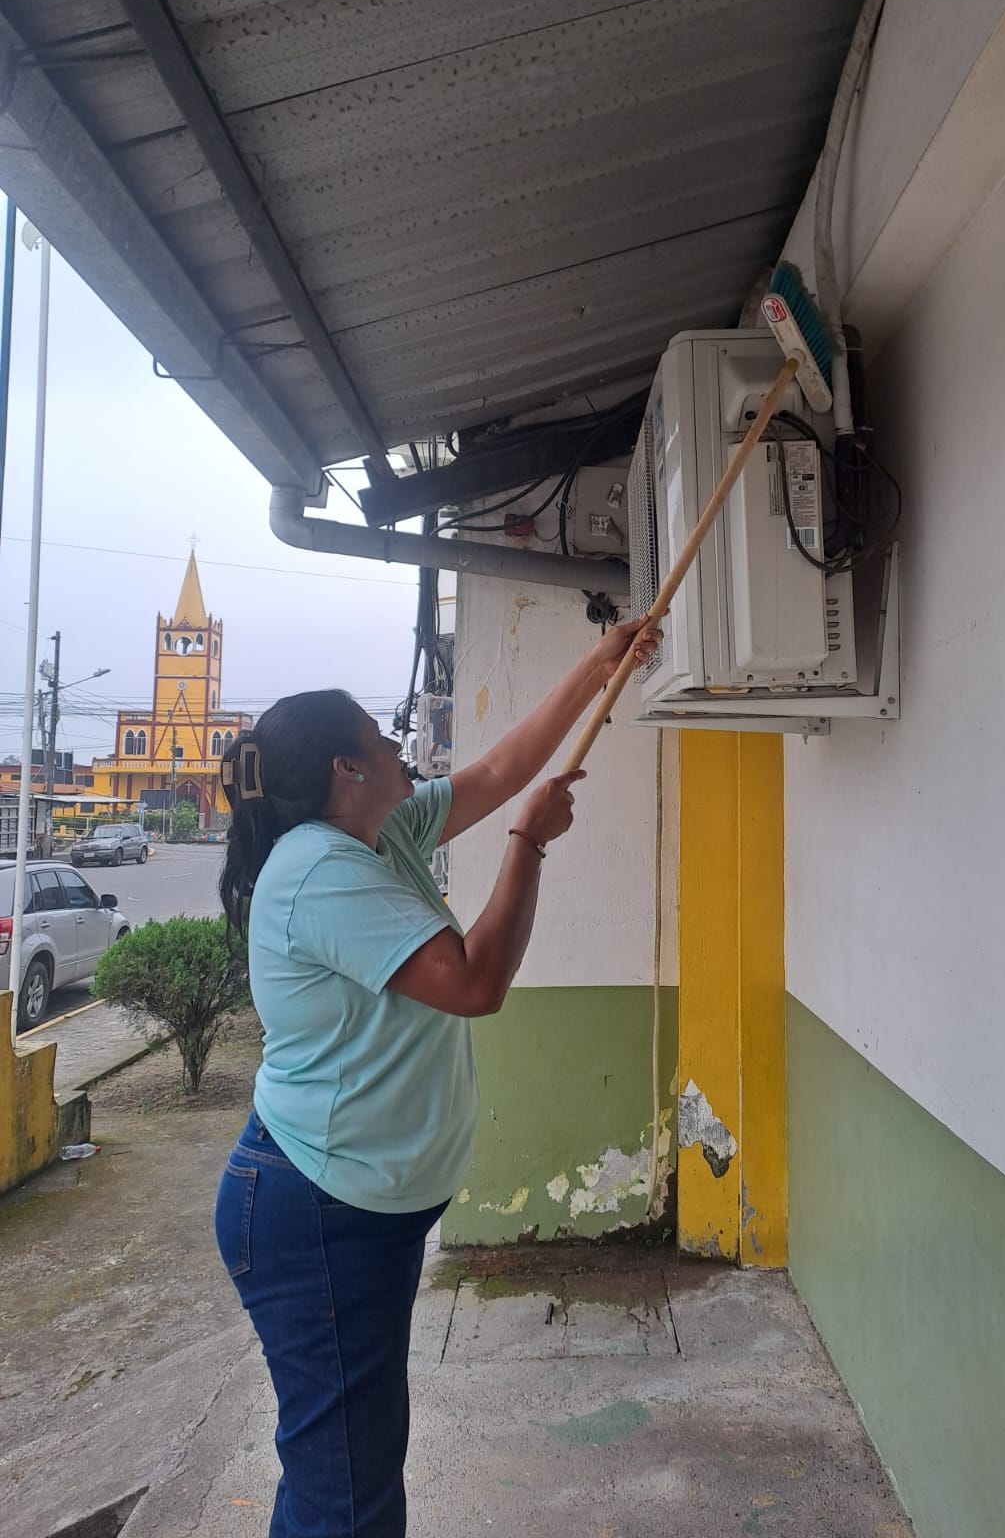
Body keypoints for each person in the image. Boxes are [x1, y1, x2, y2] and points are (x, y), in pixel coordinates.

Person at [213, 613, 659, 1538]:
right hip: (318, 1214)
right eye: (380, 737)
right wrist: (528, 845)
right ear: (346, 769)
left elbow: (497, 772)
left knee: (346, 1473)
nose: (398, 745)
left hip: (353, 1209)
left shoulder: (383, 833)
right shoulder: (320, 870)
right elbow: (473, 983)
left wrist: (597, 665)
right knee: (348, 1496)